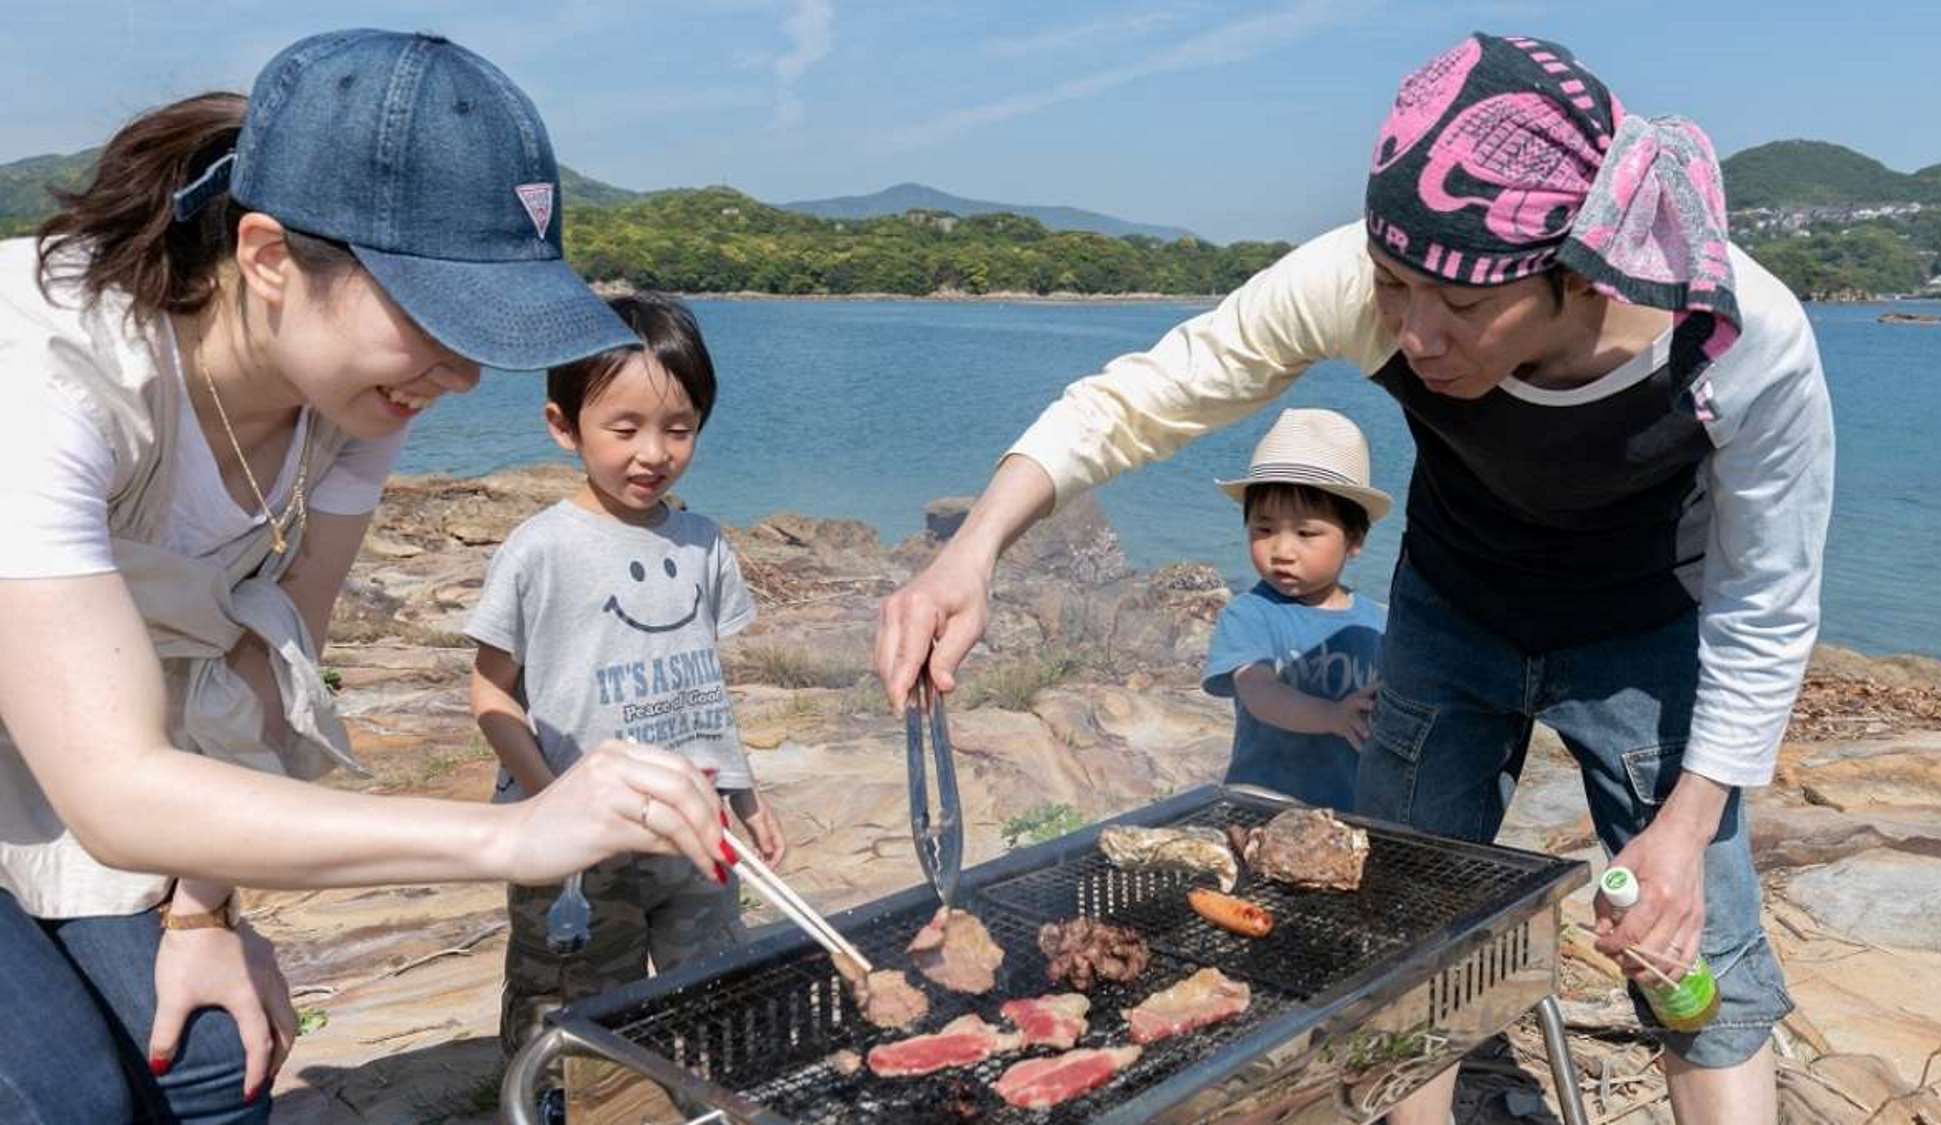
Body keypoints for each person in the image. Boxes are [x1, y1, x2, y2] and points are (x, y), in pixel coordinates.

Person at [876, 32, 1832, 1125]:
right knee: (1400, 923)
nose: (1414, 335)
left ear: (1579, 275)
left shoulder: (1740, 342)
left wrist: (1684, 824)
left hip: (1644, 631)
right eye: (1391, 288)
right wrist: (972, 549)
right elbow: (1147, 393)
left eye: (1461, 310)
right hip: (1453, 607)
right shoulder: (1368, 281)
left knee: (1693, 949)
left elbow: (1766, 609)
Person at [0, 30, 732, 1124]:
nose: (465, 371)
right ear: (266, 257)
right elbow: (112, 793)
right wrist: (512, 837)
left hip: (64, 737)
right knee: (64, 1099)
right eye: (436, 317)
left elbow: (270, 650)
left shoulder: (355, 400)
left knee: (210, 1065)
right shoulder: (47, 378)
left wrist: (204, 915)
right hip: (78, 760)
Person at [466, 292, 787, 1056]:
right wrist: (552, 801)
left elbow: (702, 688)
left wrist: (744, 796)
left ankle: (694, 1097)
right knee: (571, 1006)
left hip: (689, 823)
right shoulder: (540, 548)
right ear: (562, 426)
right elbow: (488, 691)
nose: (653, 452)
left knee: (709, 987)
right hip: (576, 843)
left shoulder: (704, 542)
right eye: (625, 428)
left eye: (679, 429)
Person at [1201, 409, 1388, 810]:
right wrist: (1332, 716)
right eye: (1263, 530)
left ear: (1353, 539)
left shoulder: (1380, 625)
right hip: (1261, 805)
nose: (1281, 551)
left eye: (1306, 533)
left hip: (1351, 813)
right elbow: (1259, 691)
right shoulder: (1250, 615)